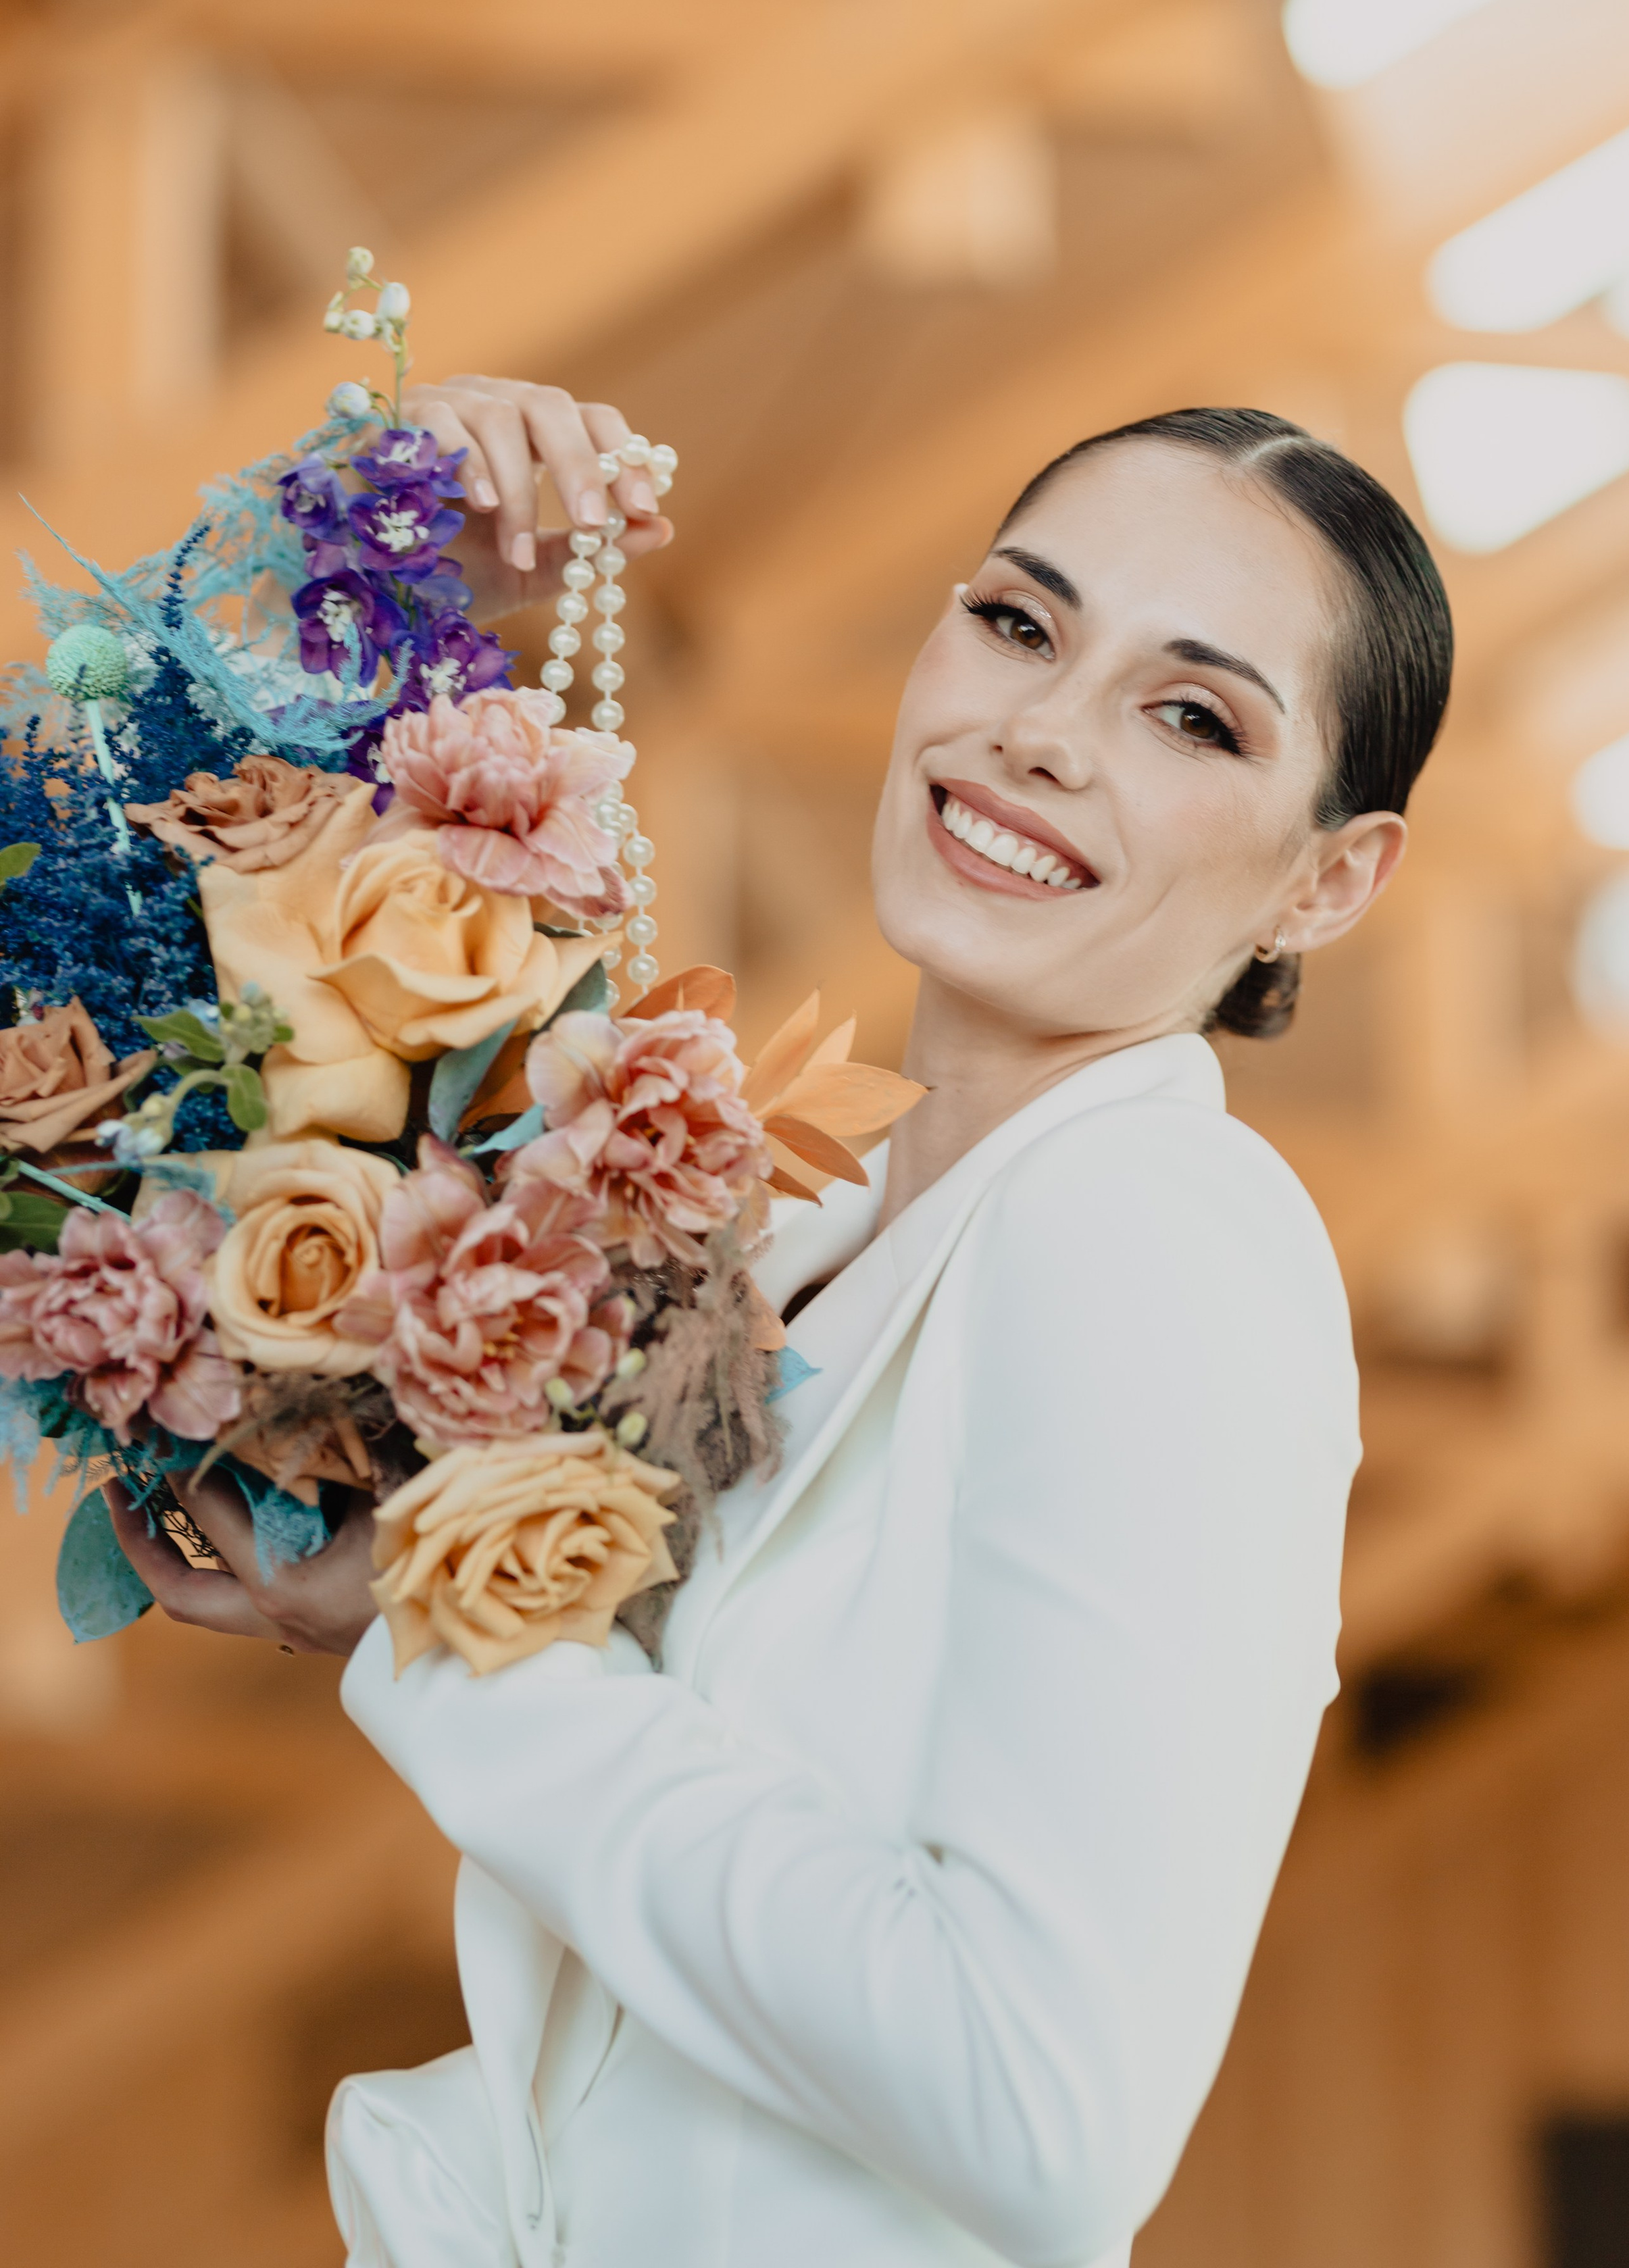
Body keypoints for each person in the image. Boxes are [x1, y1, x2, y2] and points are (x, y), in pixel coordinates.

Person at [111, 382, 1453, 2268]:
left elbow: (1039, 2109)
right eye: (1017, 621)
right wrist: (416, 634)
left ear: (1328, 879)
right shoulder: (803, 1242)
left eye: (1189, 713)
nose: (1041, 732)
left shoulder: (1158, 1229)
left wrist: (442, 1650)